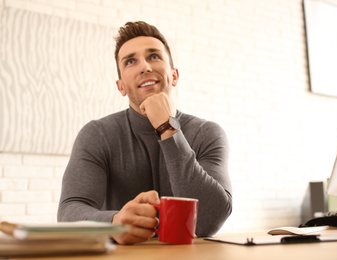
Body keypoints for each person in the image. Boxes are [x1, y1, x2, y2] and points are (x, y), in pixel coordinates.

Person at [57, 21, 232, 245]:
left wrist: (167, 127)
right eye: (131, 61)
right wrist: (114, 222)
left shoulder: (207, 133)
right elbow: (68, 213)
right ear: (120, 86)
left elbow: (208, 220)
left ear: (174, 75)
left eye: (154, 56)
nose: (145, 67)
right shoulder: (96, 134)